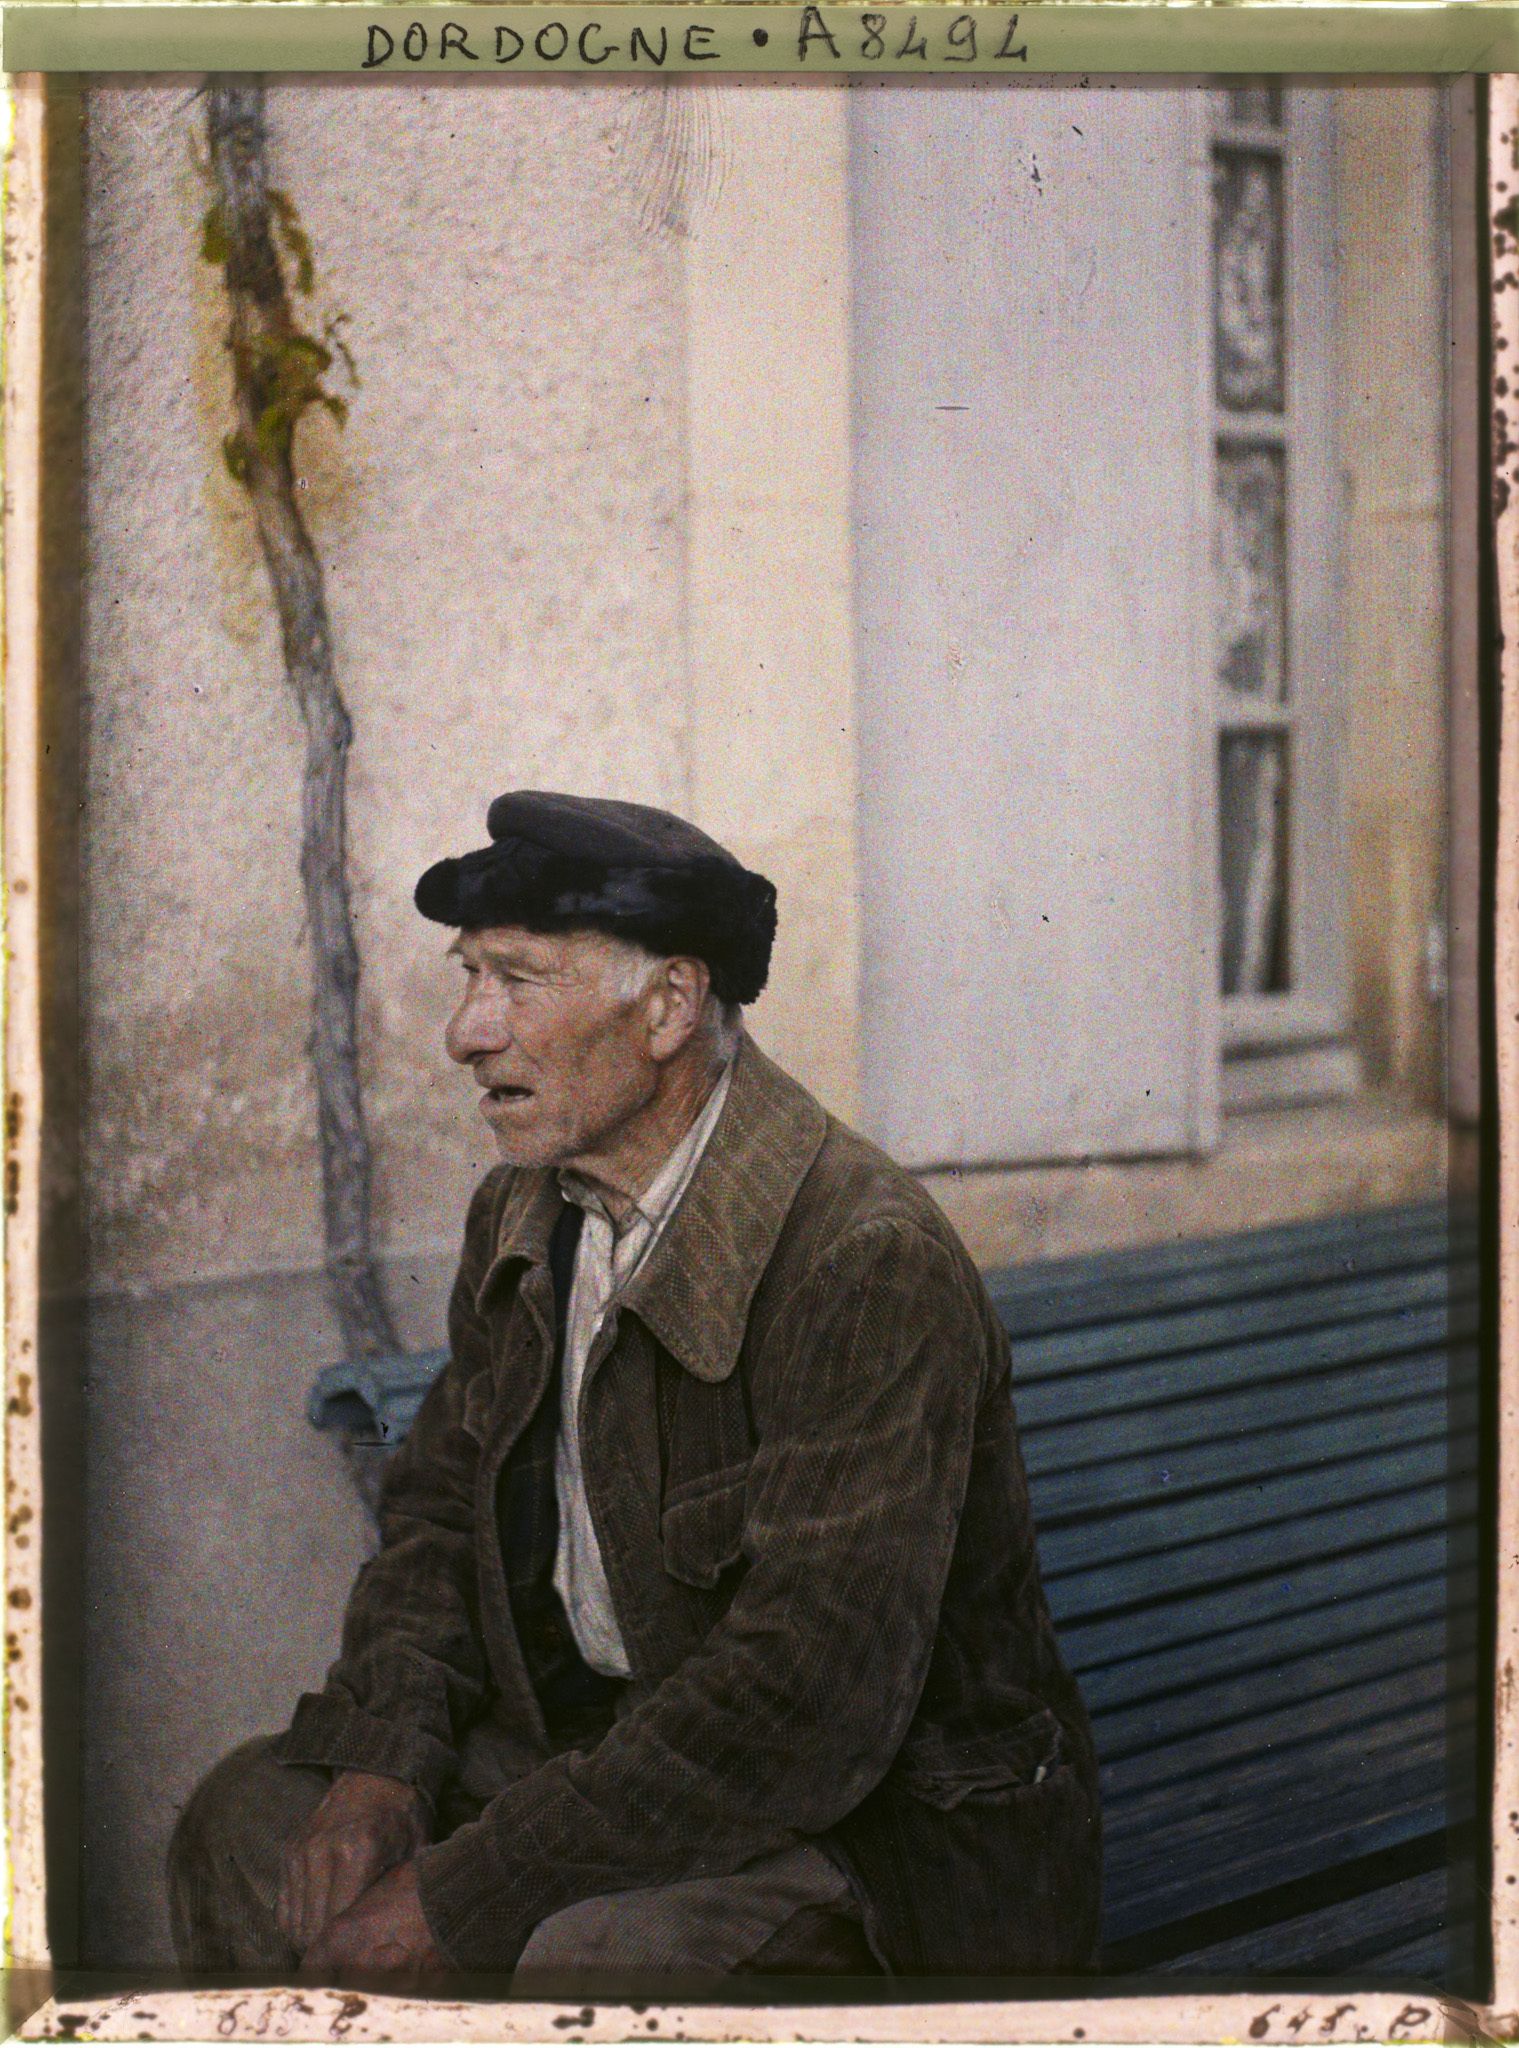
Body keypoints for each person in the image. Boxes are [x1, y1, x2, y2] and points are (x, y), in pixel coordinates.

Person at [168, 791, 1101, 1989]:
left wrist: (467, 1884)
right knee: (246, 1831)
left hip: (886, 1833)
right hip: (610, 1756)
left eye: (515, 979)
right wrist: (383, 1758)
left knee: (593, 1953)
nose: (464, 1030)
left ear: (668, 1004)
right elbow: (443, 1512)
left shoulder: (863, 1258)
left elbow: (801, 1701)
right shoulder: (523, 1205)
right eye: (469, 976)